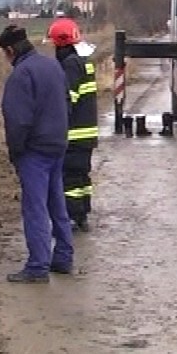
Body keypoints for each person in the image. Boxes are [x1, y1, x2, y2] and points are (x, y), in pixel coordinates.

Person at [0, 24, 74, 283]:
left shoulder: (21, 75)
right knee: (57, 204)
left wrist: (16, 153)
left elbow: (18, 121)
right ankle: (63, 257)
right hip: (57, 145)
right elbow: (67, 103)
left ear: (10, 50)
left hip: (34, 152)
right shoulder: (52, 66)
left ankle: (38, 266)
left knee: (35, 208)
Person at [49, 13, 99, 232]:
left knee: (69, 179)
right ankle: (82, 215)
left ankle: (71, 217)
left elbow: (66, 99)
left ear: (61, 43)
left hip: (74, 134)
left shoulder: (70, 65)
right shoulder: (83, 62)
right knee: (81, 176)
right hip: (87, 134)